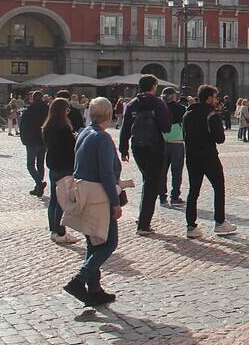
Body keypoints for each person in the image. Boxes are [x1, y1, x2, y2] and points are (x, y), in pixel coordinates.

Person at [63, 97, 120, 306]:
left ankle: (94, 289)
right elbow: (106, 173)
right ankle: (80, 279)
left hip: (82, 192)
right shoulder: (102, 138)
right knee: (108, 242)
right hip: (98, 196)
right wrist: (115, 203)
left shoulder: (84, 132)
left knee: (93, 242)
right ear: (109, 115)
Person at [118, 74, 172, 236]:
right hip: (155, 147)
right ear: (154, 86)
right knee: (152, 184)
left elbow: (125, 128)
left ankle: (143, 216)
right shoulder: (158, 103)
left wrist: (123, 149)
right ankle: (143, 224)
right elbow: (166, 127)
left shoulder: (132, 104)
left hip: (137, 147)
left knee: (147, 179)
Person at [182, 84, 237, 238]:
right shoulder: (210, 115)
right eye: (214, 97)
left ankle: (191, 226)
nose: (216, 100)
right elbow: (220, 138)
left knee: (193, 191)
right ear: (209, 98)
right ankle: (220, 222)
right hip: (208, 156)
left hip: (191, 156)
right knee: (219, 187)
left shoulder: (187, 114)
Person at [43, 97, 80, 244]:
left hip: (53, 164)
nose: (68, 112)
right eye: (67, 109)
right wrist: (74, 138)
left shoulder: (47, 126)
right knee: (61, 200)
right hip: (64, 165)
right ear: (62, 111)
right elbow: (70, 148)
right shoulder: (63, 128)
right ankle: (60, 232)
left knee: (54, 198)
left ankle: (54, 229)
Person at [159, 87, 186, 208]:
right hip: (177, 142)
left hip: (162, 142)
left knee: (162, 171)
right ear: (174, 96)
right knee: (176, 172)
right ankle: (175, 197)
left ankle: (162, 197)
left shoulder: (159, 108)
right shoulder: (181, 108)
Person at [19, 90, 49, 196]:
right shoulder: (47, 109)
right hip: (43, 140)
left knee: (30, 165)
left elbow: (22, 125)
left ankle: (39, 183)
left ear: (33, 98)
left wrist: (23, 138)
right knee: (40, 164)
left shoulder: (29, 110)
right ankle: (38, 187)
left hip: (32, 141)